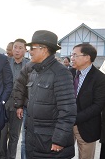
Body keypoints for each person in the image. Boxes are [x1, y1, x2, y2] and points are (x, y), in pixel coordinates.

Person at [13, 30, 77, 158]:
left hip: (50, 144)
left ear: (44, 49)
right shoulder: (34, 71)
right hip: (35, 141)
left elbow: (68, 110)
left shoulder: (61, 73)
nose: (29, 51)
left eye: (32, 48)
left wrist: (59, 140)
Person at [70, 43, 105, 159]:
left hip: (87, 126)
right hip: (66, 125)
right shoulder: (68, 73)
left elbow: (98, 105)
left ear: (87, 57)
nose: (72, 58)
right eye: (71, 55)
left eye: (75, 55)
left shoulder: (100, 78)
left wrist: (76, 118)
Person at [1, 38, 29, 159]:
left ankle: (11, 157)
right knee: (1, 136)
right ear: (12, 49)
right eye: (15, 47)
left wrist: (22, 105)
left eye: (20, 48)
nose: (17, 50)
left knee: (14, 136)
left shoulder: (29, 65)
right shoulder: (5, 63)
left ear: (25, 50)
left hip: (18, 107)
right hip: (3, 105)